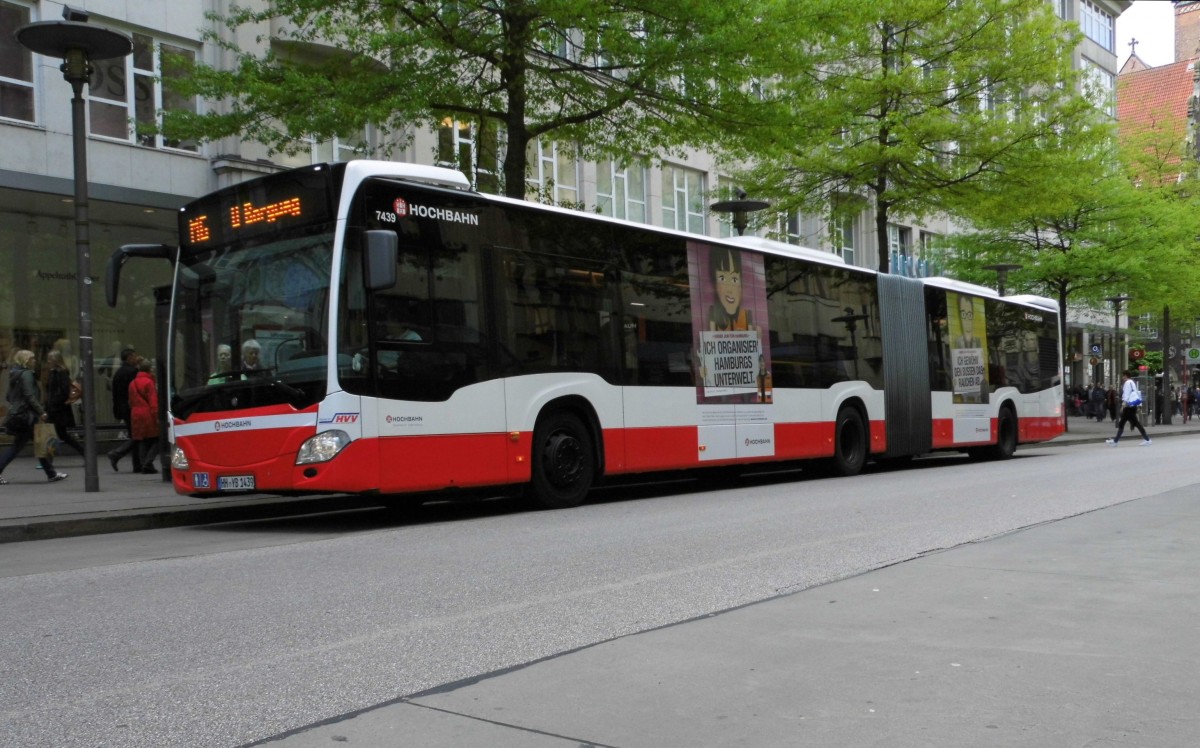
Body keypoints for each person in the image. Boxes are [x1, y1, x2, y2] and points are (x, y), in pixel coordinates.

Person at [0, 350, 67, 483]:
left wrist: (18, 402)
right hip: (27, 416)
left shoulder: (15, 374)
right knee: (24, 446)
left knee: (35, 444)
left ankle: (51, 474)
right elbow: (30, 395)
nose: (35, 360)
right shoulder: (27, 374)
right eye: (32, 358)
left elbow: (8, 396)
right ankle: (51, 474)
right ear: (26, 360)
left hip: (20, 415)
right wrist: (41, 411)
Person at [106, 348, 142, 472]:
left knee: (135, 434)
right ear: (129, 358)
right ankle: (118, 454)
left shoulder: (119, 372)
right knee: (138, 435)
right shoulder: (132, 372)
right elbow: (136, 390)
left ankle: (136, 463)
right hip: (131, 407)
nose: (136, 358)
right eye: (134, 356)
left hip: (122, 407)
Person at [45, 349, 84, 457]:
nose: (48, 361)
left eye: (50, 359)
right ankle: (83, 452)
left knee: (56, 434)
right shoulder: (54, 372)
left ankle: (47, 459)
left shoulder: (61, 372)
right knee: (59, 434)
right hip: (54, 408)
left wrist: (53, 403)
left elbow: (64, 392)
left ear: (55, 360)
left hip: (58, 409)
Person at [707, 248, 756, 331]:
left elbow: (752, 337)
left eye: (734, 279)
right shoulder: (713, 313)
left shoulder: (746, 315)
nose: (730, 289)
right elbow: (712, 336)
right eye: (722, 278)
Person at [128, 357, 159, 474]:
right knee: (157, 439)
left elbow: (130, 401)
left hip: (135, 413)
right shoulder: (149, 382)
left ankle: (143, 464)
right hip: (147, 413)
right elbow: (153, 401)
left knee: (141, 440)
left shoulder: (132, 383)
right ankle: (148, 462)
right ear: (149, 369)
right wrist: (156, 416)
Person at [1107, 370, 1151, 447]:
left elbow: (1126, 395)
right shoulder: (1132, 383)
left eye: (1123, 375)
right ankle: (1146, 439)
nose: (1122, 377)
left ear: (1125, 375)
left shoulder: (1127, 383)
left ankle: (1116, 441)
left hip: (1128, 407)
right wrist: (1138, 405)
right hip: (1132, 406)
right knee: (1133, 423)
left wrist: (1123, 405)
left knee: (1125, 423)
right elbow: (1136, 394)